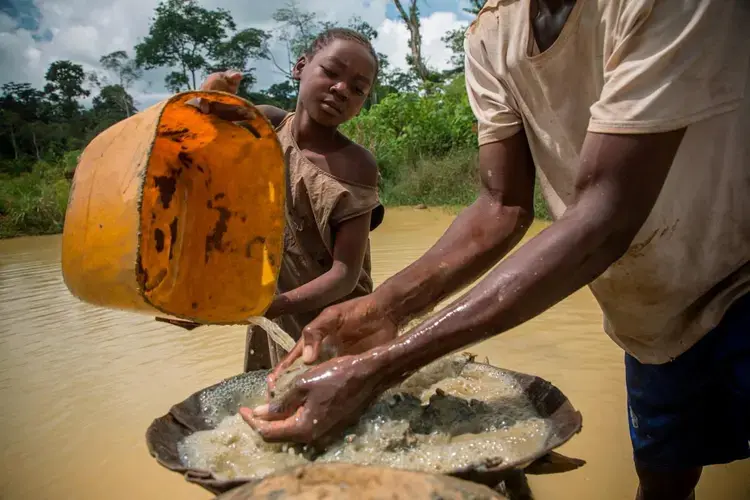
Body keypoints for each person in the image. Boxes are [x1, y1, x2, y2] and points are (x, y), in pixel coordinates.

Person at [241, 1, 750, 499]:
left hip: (738, 275)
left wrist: (384, 364)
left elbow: (606, 211)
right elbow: (501, 207)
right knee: (663, 470)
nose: (342, 92)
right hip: (650, 311)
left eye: (359, 87)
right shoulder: (492, 32)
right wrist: (384, 308)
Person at [194, 28, 386, 369]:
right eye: (330, 72)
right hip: (278, 313)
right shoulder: (267, 124)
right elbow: (199, 129)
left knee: (345, 407)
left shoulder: (357, 165)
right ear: (300, 66)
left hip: (339, 324)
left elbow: (345, 273)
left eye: (358, 89)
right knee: (274, 400)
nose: (341, 90)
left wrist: (268, 305)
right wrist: (212, 94)